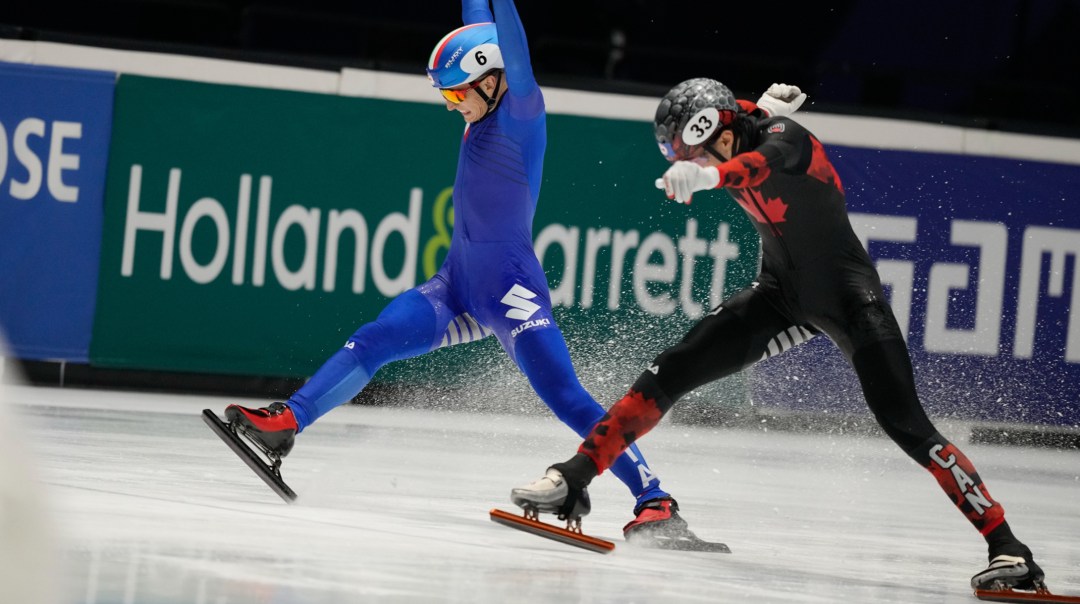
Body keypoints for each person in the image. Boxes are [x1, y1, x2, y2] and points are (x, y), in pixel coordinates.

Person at [217, 3, 800, 544]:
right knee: (374, 338)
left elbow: (511, 41)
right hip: (456, 285)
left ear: (493, 79)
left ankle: (656, 501)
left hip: (513, 289)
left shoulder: (522, 107)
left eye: (456, 95)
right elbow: (480, 21)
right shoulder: (484, 97)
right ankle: (287, 421)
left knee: (566, 396)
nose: (452, 106)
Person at [510, 77, 1044, 591]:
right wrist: (726, 140)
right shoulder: (737, 121)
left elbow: (757, 163)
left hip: (851, 302)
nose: (689, 165)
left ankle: (1009, 548)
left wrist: (711, 177)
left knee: (908, 426)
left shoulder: (788, 139)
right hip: (779, 297)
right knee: (670, 369)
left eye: (694, 155)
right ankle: (573, 479)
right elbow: (741, 116)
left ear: (718, 135)